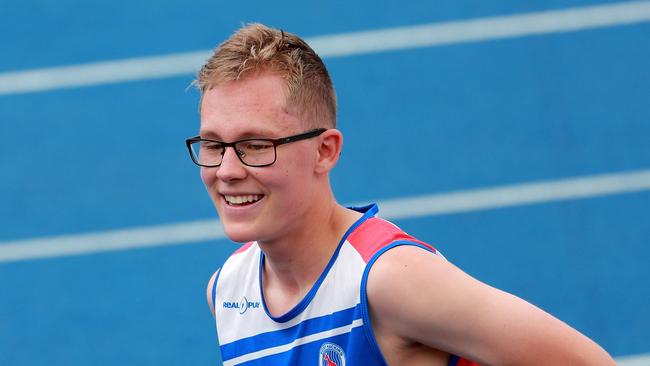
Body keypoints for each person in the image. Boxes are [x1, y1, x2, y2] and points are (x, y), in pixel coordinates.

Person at [186, 23, 616, 365]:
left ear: (325, 151)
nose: (226, 170)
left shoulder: (390, 281)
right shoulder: (226, 291)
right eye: (212, 145)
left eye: (256, 146)